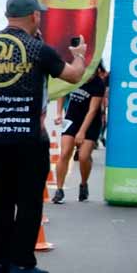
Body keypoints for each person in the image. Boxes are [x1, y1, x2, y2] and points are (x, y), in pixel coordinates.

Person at [0, 0, 86, 273]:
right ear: (34, 16)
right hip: (27, 136)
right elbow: (74, 76)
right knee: (27, 201)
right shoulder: (38, 48)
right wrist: (79, 56)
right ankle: (22, 265)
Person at [52, 62, 107, 203]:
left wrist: (82, 132)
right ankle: (59, 190)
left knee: (83, 156)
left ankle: (83, 184)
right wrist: (59, 113)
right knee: (64, 153)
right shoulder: (75, 76)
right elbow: (62, 92)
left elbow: (93, 110)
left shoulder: (98, 84)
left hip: (91, 123)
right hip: (71, 119)